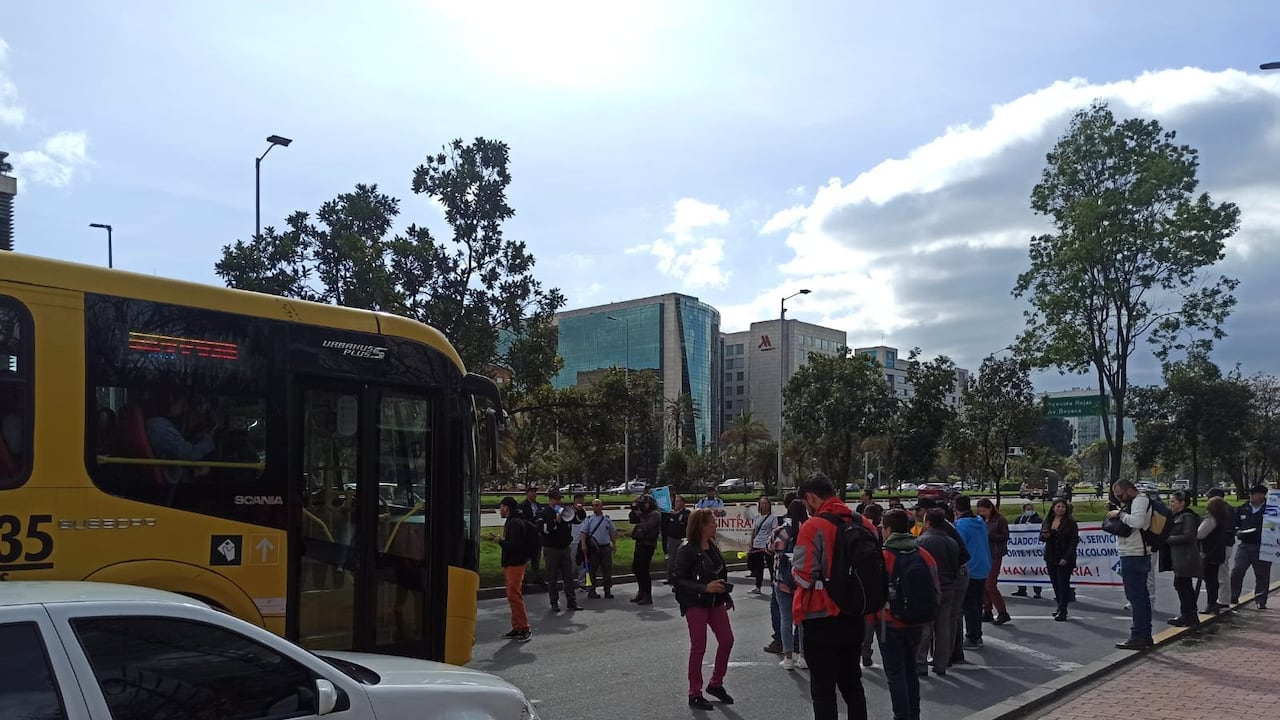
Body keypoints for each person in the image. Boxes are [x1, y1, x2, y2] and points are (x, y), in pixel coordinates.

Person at [793, 474, 878, 720]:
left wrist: (793, 571)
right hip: (855, 613)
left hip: (820, 616)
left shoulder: (813, 527)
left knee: (823, 689)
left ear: (811, 497)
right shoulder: (865, 523)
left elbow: (804, 578)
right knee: (852, 683)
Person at [671, 508, 735, 711]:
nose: (715, 525)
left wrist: (725, 595)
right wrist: (704, 588)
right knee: (698, 647)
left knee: (727, 640)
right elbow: (677, 580)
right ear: (700, 526)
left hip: (715, 602)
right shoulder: (686, 549)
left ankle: (716, 684)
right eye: (711, 523)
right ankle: (695, 693)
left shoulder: (712, 545)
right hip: (695, 603)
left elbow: (718, 573)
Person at [879, 509, 938, 720]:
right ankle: (914, 714)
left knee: (895, 672)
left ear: (888, 530)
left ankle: (901, 715)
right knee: (911, 668)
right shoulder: (923, 554)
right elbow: (935, 587)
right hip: (918, 620)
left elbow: (875, 592)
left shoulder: (884, 556)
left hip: (889, 621)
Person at [1108, 479, 1153, 649]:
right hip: (1136, 553)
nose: (1119, 498)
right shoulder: (1138, 501)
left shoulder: (1140, 500)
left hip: (1134, 553)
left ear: (1129, 490)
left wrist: (1119, 514)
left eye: (1120, 494)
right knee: (1141, 596)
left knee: (1136, 597)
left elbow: (1138, 522)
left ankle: (1138, 635)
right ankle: (1145, 634)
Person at [915, 508, 960, 676]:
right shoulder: (952, 542)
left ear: (928, 522)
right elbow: (956, 566)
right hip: (948, 586)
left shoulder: (921, 541)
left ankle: (920, 663)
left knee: (925, 627)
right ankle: (941, 663)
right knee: (943, 627)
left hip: (929, 588)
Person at [772, 499, 809, 670]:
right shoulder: (808, 530)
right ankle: (803, 656)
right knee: (802, 621)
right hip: (802, 581)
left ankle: (788, 658)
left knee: (785, 618)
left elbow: (770, 548)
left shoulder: (780, 530)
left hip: (782, 580)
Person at [953, 495, 991, 649]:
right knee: (977, 602)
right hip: (983, 565)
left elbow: (958, 546)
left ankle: (972, 637)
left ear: (956, 508)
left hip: (971, 567)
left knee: (969, 604)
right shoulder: (979, 521)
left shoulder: (962, 525)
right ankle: (977, 634)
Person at [537, 490, 582, 613]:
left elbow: (577, 520)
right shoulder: (543, 512)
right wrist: (555, 521)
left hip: (565, 548)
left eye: (560, 499)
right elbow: (543, 530)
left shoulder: (563, 510)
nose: (559, 502)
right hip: (551, 549)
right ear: (550, 500)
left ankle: (571, 601)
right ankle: (554, 602)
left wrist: (579, 511)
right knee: (552, 577)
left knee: (569, 576)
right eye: (556, 499)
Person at [1230, 484, 1273, 610]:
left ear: (1262, 495)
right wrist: (1237, 531)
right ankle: (1233, 596)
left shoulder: (1270, 509)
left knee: (1262, 574)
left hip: (1263, 545)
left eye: (1254, 494)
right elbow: (1235, 524)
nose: (1251, 496)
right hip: (1245, 545)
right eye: (1251, 494)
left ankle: (1260, 599)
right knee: (1237, 570)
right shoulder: (1243, 508)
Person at [1164, 490, 1202, 628]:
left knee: (1183, 585)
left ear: (1182, 503)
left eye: (1173, 501)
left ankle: (1188, 615)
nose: (1171, 504)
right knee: (1182, 585)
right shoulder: (1175, 516)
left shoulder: (1187, 516)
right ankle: (1189, 615)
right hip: (1178, 557)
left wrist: (1167, 539)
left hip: (1185, 557)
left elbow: (1189, 536)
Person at [497, 497, 532, 642]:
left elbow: (514, 545)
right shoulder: (514, 521)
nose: (500, 510)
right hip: (513, 563)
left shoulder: (514, 523)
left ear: (507, 507)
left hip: (515, 564)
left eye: (501, 507)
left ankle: (524, 628)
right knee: (512, 596)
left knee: (515, 596)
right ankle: (517, 626)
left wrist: (500, 541)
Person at [1040, 499, 1079, 621]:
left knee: (1063, 583)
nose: (1060, 509)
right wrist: (1045, 536)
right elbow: (1041, 537)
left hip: (1065, 557)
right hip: (1051, 556)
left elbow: (1073, 542)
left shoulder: (1070, 523)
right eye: (1058, 506)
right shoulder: (1048, 521)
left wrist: (1066, 557)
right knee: (1055, 583)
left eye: (1063, 507)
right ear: (1053, 508)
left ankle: (1063, 609)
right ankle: (1059, 606)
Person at [976, 498, 1011, 625]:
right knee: (983, 583)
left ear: (990, 508)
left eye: (984, 511)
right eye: (980, 511)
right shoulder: (979, 520)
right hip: (983, 554)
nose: (982, 513)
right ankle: (987, 610)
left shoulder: (1000, 520)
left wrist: (990, 535)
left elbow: (1005, 536)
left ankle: (1002, 612)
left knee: (990, 584)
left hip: (995, 554)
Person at [860, 502, 885, 668]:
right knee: (882, 626)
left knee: (867, 624)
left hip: (866, 585)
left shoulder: (860, 532)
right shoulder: (881, 532)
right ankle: (884, 656)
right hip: (881, 584)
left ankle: (866, 654)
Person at [1197, 496, 1230, 614]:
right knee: (1214, 579)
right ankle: (1214, 603)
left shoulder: (1210, 520)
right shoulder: (1222, 519)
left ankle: (1211, 604)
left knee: (1210, 580)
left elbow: (1199, 534)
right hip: (1218, 552)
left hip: (1209, 552)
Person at [579, 499, 617, 599]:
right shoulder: (589, 519)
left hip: (605, 548)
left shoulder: (607, 520)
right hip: (593, 549)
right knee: (592, 570)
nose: (594, 507)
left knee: (607, 570)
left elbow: (612, 532)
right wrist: (583, 545)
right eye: (593, 505)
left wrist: (614, 544)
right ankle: (591, 591)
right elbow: (583, 532)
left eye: (596, 505)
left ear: (601, 506)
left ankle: (607, 591)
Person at [1206, 487, 1235, 609]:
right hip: (1224, 544)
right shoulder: (1226, 509)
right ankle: (1223, 598)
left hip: (1223, 544)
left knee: (1222, 573)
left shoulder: (1224, 511)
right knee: (1221, 572)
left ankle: (1223, 600)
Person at [629, 494, 661, 605]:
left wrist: (641, 516)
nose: (643, 506)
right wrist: (634, 510)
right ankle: (641, 592)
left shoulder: (655, 514)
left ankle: (647, 595)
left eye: (645, 504)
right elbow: (632, 520)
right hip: (639, 543)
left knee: (644, 570)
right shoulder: (644, 513)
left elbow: (646, 527)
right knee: (636, 568)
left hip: (648, 544)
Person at [1011, 502, 1044, 599]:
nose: (1029, 511)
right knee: (1022, 570)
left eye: (1031, 509)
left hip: (1034, 551)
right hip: (1022, 550)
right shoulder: (1019, 519)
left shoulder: (1038, 519)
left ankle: (1037, 592)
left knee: (1035, 571)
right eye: (1027, 509)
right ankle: (1021, 589)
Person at [748, 496, 777, 594]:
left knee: (771, 566)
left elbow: (774, 531)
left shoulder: (773, 517)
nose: (764, 505)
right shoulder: (757, 517)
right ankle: (758, 586)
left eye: (766, 503)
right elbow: (754, 530)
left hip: (767, 545)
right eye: (762, 503)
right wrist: (752, 541)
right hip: (757, 544)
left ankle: (774, 587)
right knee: (758, 567)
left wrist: (769, 544)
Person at [518, 487, 544, 586]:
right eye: (532, 492)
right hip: (528, 535)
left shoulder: (538, 505)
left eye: (535, 492)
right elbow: (522, 520)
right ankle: (522, 578)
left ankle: (537, 576)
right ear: (527, 493)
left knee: (536, 557)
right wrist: (533, 522)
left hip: (537, 535)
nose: (534, 494)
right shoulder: (522, 506)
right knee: (525, 558)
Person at [662, 494, 691, 583]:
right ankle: (670, 577)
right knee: (671, 559)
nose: (676, 503)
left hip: (682, 539)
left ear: (683, 503)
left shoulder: (686, 513)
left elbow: (684, 522)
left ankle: (681, 577)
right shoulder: (671, 513)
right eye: (675, 501)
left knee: (682, 559)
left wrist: (676, 515)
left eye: (678, 501)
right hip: (672, 539)